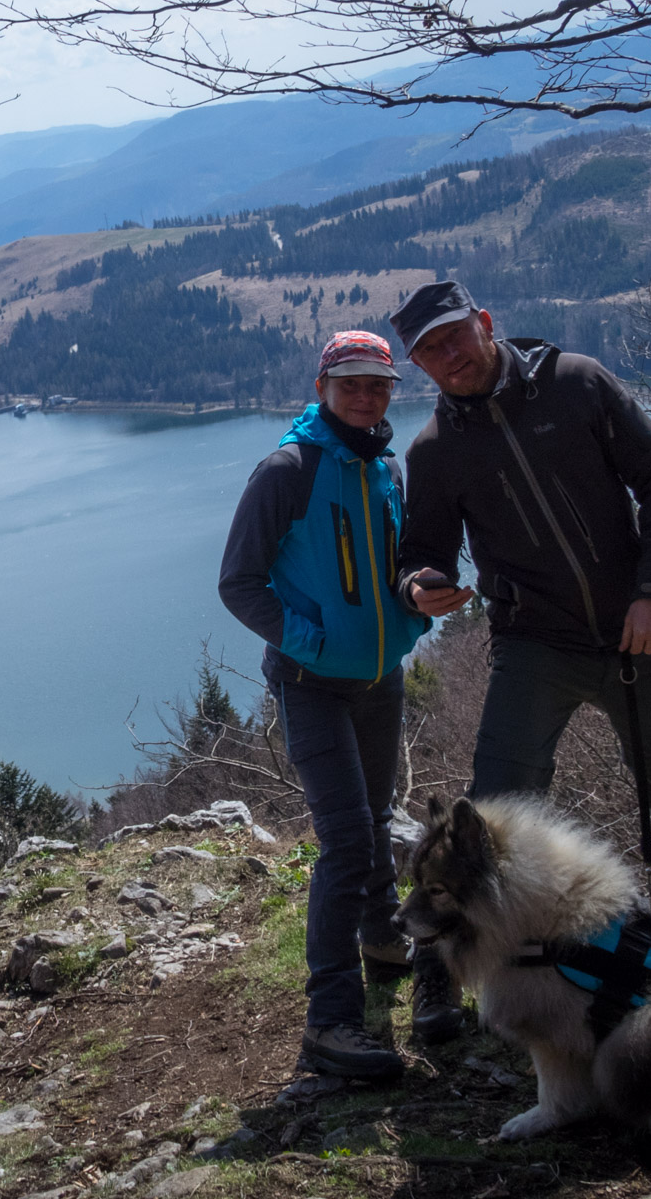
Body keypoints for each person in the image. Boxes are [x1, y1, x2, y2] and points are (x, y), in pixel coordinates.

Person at [389, 280, 651, 1044]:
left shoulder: (577, 384)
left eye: (455, 338)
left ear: (484, 323)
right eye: (430, 353)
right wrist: (421, 586)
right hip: (533, 645)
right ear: (420, 367)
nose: (449, 358)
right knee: (488, 815)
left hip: (637, 633)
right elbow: (422, 552)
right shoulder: (437, 451)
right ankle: (441, 980)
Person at [220, 330, 431, 1080]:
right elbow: (238, 582)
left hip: (381, 677)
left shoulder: (385, 468)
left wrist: (416, 603)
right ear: (323, 389)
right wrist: (305, 642)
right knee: (345, 842)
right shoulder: (287, 469)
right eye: (351, 385)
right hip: (311, 684)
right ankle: (330, 1023)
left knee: (375, 820)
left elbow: (397, 565)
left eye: (378, 385)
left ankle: (381, 939)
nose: (366, 396)